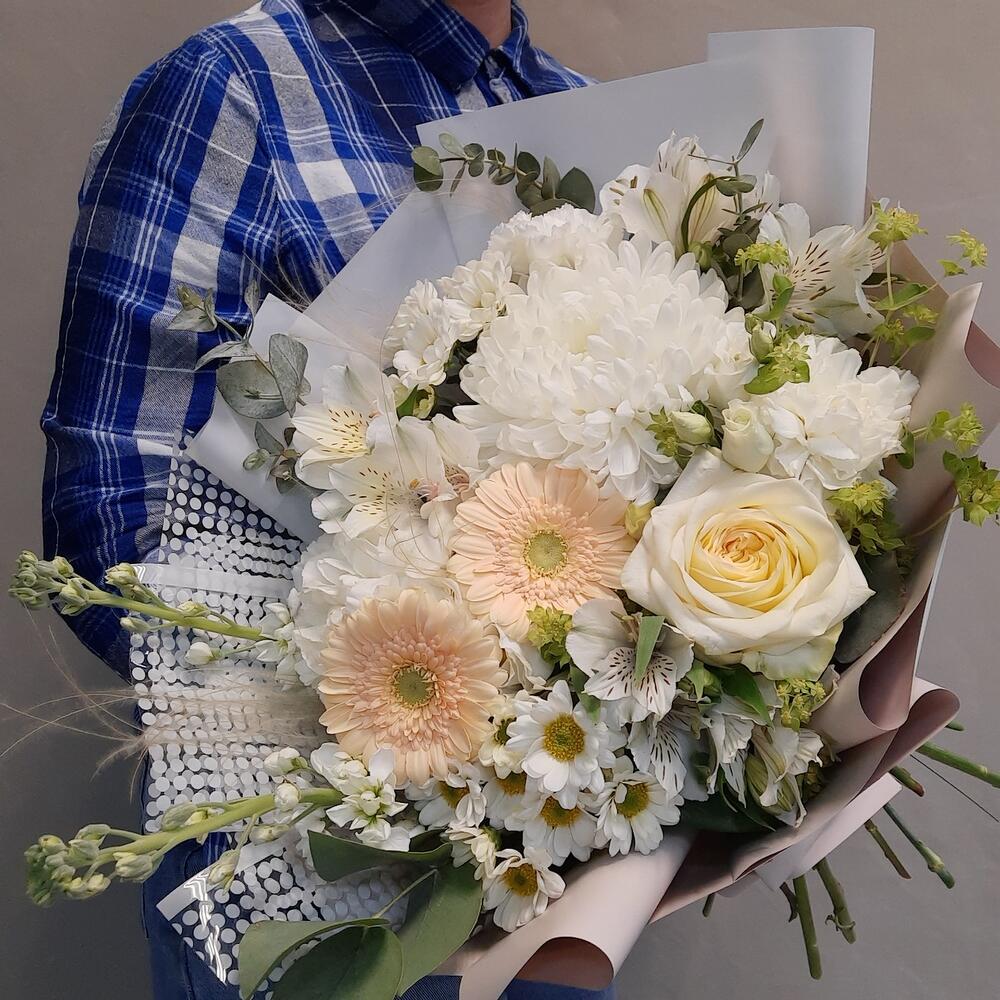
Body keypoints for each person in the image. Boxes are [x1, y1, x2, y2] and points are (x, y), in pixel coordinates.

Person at [42, 1, 613, 997]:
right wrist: (407, 712)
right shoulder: (232, 89)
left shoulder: (585, 112)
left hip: (561, 869)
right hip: (303, 878)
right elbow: (114, 518)